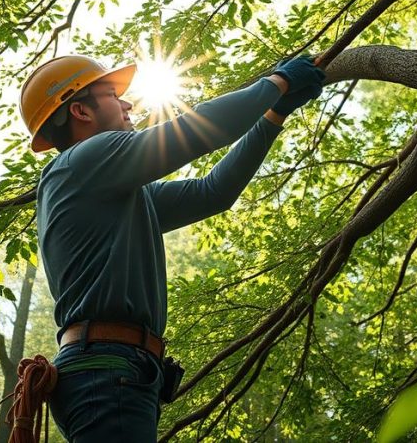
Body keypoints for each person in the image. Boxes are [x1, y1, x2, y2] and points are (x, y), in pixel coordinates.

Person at [18, 53, 325, 441]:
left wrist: (273, 115)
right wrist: (276, 83)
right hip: (108, 373)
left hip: (114, 372)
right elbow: (200, 130)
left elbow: (214, 192)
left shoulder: (112, 189)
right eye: (113, 94)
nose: (128, 103)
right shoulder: (85, 161)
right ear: (80, 110)